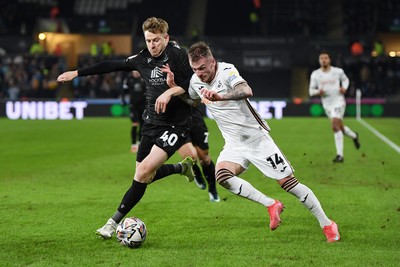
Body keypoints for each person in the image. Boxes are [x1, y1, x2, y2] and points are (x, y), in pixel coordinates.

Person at [162, 41, 341, 242]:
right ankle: (271, 204)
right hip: (233, 143)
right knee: (222, 176)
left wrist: (221, 96)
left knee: (289, 184)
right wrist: (174, 88)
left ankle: (327, 224)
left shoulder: (227, 71)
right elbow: (193, 101)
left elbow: (246, 90)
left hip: (256, 139)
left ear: (212, 62)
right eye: (195, 69)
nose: (199, 73)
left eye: (202, 68)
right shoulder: (196, 80)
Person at [57, 17, 200, 239]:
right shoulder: (142, 58)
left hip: (176, 125)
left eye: (156, 40)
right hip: (150, 124)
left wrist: (171, 89)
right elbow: (112, 65)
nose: (152, 45)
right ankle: (182, 168)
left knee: (142, 173)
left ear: (166, 38)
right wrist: (77, 73)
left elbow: (195, 86)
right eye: (148, 40)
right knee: (146, 176)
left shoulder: (179, 55)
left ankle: (111, 223)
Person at [309, 51, 360, 163]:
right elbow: (311, 91)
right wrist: (318, 92)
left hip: (339, 102)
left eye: (326, 58)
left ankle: (340, 156)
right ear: (319, 60)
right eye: (321, 58)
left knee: (334, 126)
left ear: (329, 60)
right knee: (340, 128)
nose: (324, 60)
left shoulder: (338, 71)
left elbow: (346, 80)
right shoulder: (315, 74)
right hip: (327, 105)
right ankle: (354, 136)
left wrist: (344, 88)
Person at [121, 70, 146, 153]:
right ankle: (133, 144)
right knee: (134, 124)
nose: (135, 73)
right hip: (133, 106)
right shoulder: (128, 79)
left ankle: (140, 143)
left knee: (142, 125)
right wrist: (123, 100)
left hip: (143, 106)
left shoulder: (144, 78)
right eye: (134, 71)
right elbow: (124, 92)